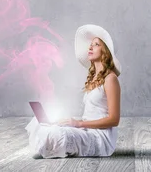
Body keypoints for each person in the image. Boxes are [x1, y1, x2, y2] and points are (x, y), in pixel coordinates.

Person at [25, 24, 122, 158]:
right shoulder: (94, 78)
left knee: (57, 134)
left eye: (96, 44)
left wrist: (78, 124)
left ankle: (49, 145)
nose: (90, 47)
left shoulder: (111, 79)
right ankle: (49, 143)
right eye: (91, 44)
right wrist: (71, 122)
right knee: (40, 122)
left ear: (106, 51)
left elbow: (114, 120)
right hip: (87, 129)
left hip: (100, 137)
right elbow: (91, 115)